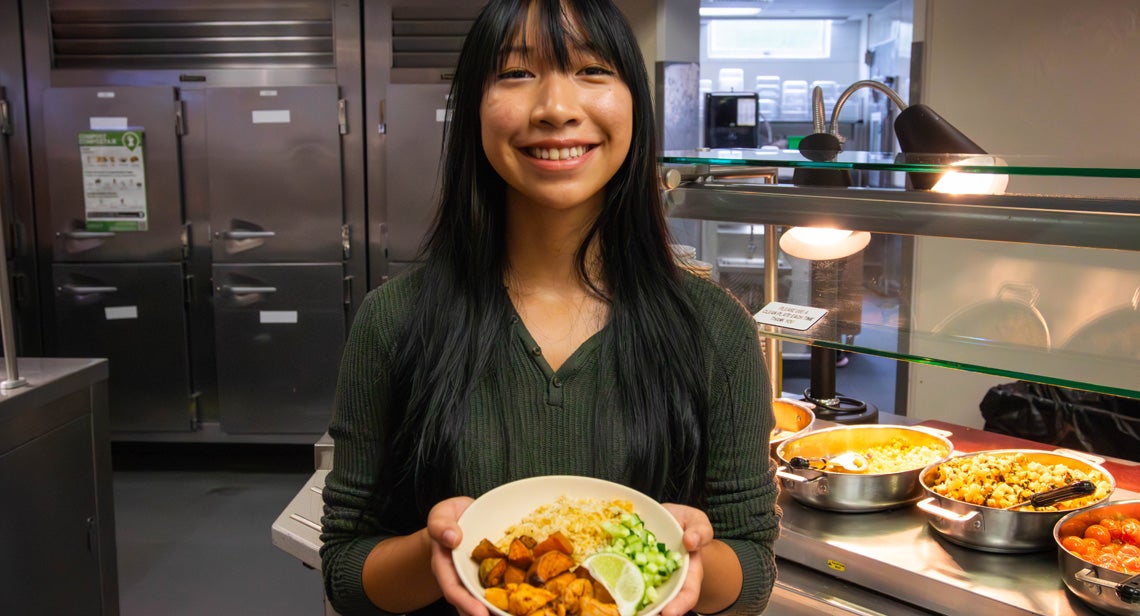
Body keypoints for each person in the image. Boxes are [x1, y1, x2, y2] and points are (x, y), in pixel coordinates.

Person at [319, 1, 780, 614]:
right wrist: (433, 551)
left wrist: (693, 557)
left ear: (635, 104)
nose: (557, 108)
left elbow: (752, 569)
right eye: (515, 73)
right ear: (473, 110)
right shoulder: (393, 320)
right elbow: (345, 569)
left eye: (592, 70)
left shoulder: (714, 328)